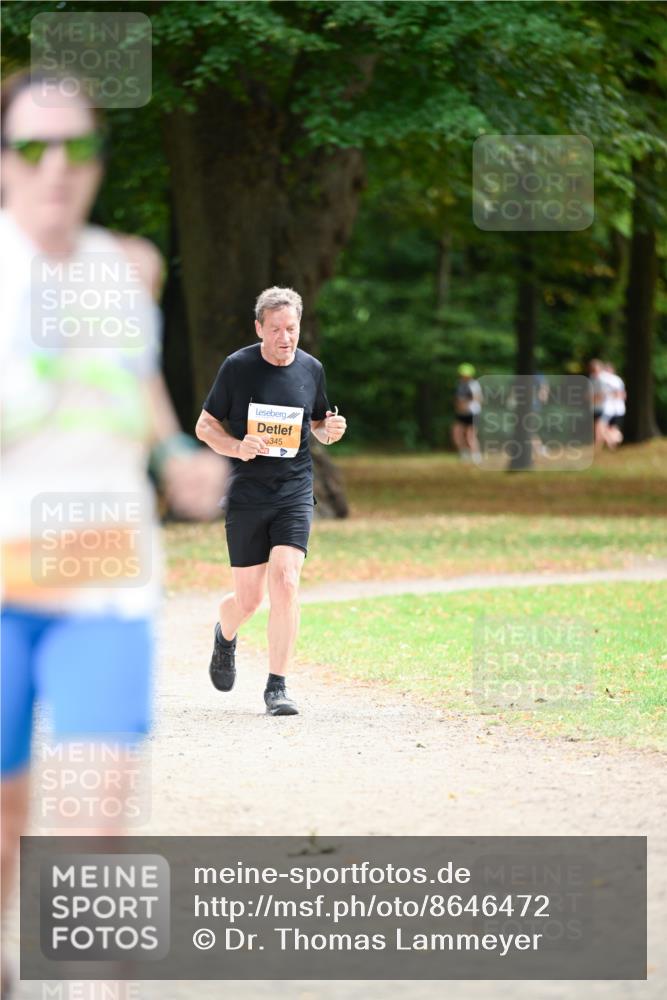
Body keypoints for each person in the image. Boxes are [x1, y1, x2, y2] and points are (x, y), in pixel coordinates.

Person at [0, 69, 226, 989]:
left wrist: (178, 454)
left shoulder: (124, 269)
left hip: (103, 577)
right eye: (32, 148)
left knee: (96, 818)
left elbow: (141, 394)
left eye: (78, 147)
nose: (57, 167)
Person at [195, 286, 347, 716]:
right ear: (259, 327)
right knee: (248, 600)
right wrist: (237, 446)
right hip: (247, 493)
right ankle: (225, 636)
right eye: (276, 328)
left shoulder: (311, 369)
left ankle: (277, 686)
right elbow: (205, 427)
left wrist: (329, 429)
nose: (285, 338)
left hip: (294, 491)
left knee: (286, 580)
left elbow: (316, 423)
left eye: (292, 328)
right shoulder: (238, 367)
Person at [452, 363, 482, 463]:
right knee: (457, 433)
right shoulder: (460, 385)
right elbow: (457, 400)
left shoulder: (474, 385)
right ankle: (464, 453)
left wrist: (466, 404)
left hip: (473, 413)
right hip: (461, 414)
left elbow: (478, 399)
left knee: (471, 435)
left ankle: (476, 455)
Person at [604, 361, 626, 449]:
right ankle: (612, 444)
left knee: (614, 429)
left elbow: (621, 394)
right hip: (608, 409)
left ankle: (614, 443)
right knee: (607, 428)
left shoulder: (616, 380)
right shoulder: (603, 380)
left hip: (617, 409)